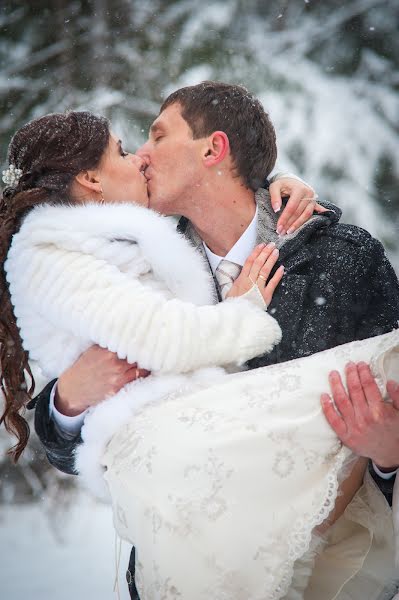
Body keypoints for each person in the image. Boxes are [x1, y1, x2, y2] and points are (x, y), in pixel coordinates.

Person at [2, 81, 398, 596]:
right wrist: (68, 399)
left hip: (325, 569)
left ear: (213, 149)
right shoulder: (142, 262)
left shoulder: (340, 259)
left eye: (156, 136)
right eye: (130, 147)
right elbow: (66, 443)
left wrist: (391, 455)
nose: (141, 157)